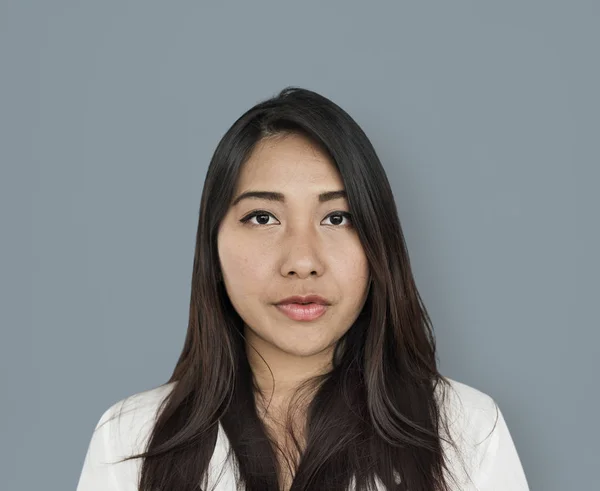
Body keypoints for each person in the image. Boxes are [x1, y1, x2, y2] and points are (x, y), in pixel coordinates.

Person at [76, 87, 530, 491]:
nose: (302, 262)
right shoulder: (129, 437)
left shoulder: (467, 430)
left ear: (378, 243)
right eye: (262, 217)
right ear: (212, 247)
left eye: (337, 218)